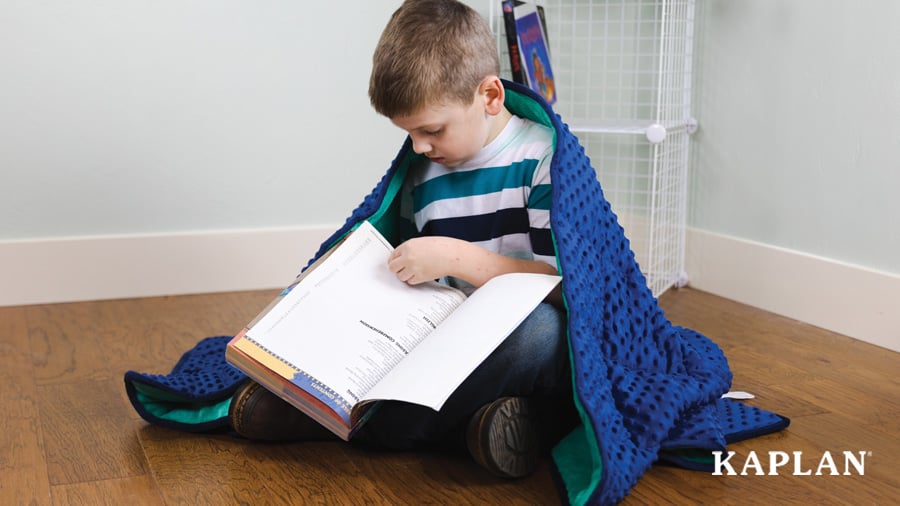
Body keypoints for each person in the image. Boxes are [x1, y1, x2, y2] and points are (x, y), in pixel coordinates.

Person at [229, 0, 575, 479]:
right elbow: (399, 258)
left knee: (543, 334)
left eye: (431, 130)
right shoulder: (423, 171)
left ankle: (358, 428)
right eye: (409, 133)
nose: (418, 146)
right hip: (436, 342)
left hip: (504, 340)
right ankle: (474, 428)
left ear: (490, 96)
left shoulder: (542, 158)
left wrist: (457, 258)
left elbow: (563, 286)